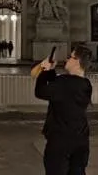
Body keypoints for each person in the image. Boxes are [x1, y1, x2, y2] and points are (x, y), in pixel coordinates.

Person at [33, 44, 94, 175]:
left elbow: (40, 91)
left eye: (70, 57)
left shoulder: (64, 83)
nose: (67, 60)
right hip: (81, 140)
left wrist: (44, 70)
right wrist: (51, 71)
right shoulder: (86, 85)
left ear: (77, 61)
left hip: (60, 141)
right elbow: (59, 90)